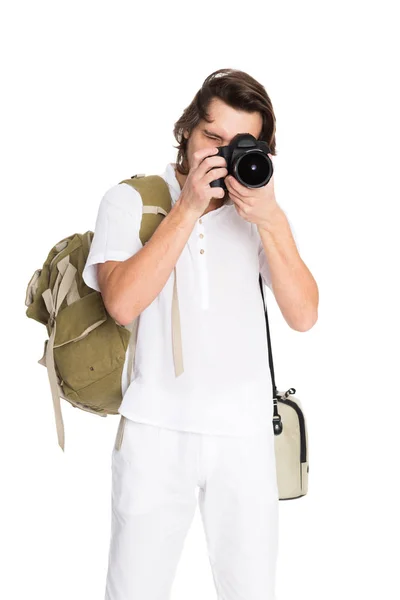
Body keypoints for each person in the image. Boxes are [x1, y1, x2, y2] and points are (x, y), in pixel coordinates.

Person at [82, 67, 318, 600]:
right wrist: (188, 206)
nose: (222, 154)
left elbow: (304, 315)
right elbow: (121, 304)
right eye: (213, 138)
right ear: (187, 129)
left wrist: (271, 219)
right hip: (154, 429)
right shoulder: (131, 199)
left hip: (245, 434)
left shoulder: (259, 213)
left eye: (241, 145)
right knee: (134, 590)